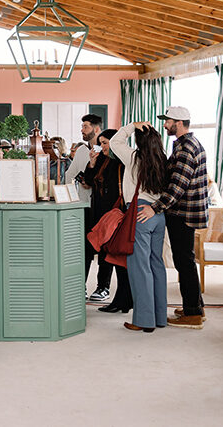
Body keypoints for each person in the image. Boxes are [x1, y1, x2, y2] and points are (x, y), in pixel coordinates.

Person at [135, 106, 208, 329]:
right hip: (186, 212)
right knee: (186, 261)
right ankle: (195, 307)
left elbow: (178, 187)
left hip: (183, 213)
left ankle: (193, 314)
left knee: (184, 262)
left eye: (168, 121)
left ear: (179, 123)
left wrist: (154, 208)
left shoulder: (186, 148)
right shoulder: (187, 144)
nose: (165, 125)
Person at [109, 122, 169, 333]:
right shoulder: (163, 160)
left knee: (140, 268)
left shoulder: (134, 157)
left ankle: (144, 320)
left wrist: (132, 126)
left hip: (140, 213)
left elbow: (115, 142)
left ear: (138, 141)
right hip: (158, 214)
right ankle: (159, 317)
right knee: (156, 265)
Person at [84, 129, 131, 313]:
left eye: (105, 143)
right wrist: (92, 163)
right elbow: (88, 181)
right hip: (100, 215)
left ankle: (109, 292)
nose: (102, 147)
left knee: (113, 256)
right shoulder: (102, 160)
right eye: (101, 143)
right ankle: (119, 299)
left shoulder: (122, 161)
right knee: (101, 252)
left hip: (114, 215)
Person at [64, 114, 109, 301]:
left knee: (105, 248)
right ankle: (79, 286)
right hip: (84, 206)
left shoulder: (107, 151)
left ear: (96, 129)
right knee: (84, 248)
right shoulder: (82, 151)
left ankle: (103, 287)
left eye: (85, 126)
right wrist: (71, 198)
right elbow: (69, 175)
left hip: (104, 207)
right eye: (82, 126)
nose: (82, 130)